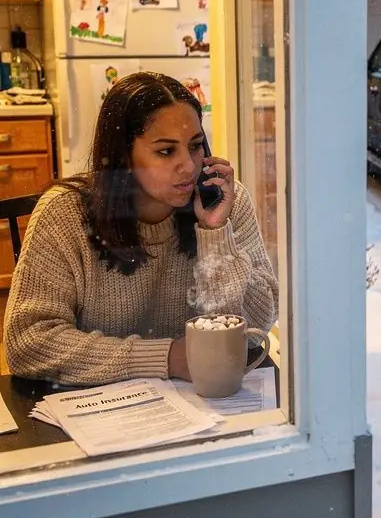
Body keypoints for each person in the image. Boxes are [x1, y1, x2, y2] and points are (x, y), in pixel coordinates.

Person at [4, 72, 278, 388]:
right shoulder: (64, 214)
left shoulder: (224, 202)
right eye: (165, 151)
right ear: (124, 157)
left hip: (200, 407)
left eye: (195, 145)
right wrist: (167, 358)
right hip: (98, 408)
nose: (189, 166)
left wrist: (215, 235)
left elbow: (255, 331)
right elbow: (28, 342)